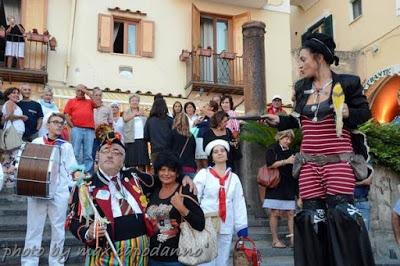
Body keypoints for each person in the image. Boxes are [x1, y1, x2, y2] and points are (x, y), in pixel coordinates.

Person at [264, 33, 374, 265]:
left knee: (342, 218)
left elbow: (365, 114)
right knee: (311, 222)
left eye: (303, 59)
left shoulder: (348, 83)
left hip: (338, 163)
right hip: (308, 166)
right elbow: (298, 119)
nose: (300, 65)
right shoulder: (301, 87)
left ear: (319, 58)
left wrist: (347, 112)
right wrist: (279, 121)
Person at [68, 130, 197, 265]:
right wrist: (88, 233)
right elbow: (73, 220)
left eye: (117, 152)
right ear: (98, 156)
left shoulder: (134, 176)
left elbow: (163, 178)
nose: (110, 155)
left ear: (124, 159)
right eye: (105, 150)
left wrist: (183, 177)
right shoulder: (86, 186)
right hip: (105, 255)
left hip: (140, 255)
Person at [21, 113, 77, 266]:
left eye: (62, 123)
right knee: (34, 228)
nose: (59, 125)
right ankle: (29, 262)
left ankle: (56, 262)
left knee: (58, 229)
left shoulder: (66, 146)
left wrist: (75, 186)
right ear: (48, 124)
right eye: (56, 122)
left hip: (59, 192)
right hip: (37, 190)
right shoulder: (37, 142)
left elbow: (72, 169)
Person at [194, 139, 248, 266]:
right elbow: (194, 198)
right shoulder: (204, 174)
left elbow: (239, 203)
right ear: (211, 157)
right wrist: (195, 220)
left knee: (222, 260)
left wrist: (241, 227)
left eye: (222, 150)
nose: (219, 153)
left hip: (226, 224)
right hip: (207, 224)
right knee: (205, 260)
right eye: (215, 152)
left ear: (227, 154)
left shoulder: (234, 178)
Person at [147, 151, 205, 265]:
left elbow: (200, 224)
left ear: (177, 173)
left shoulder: (185, 191)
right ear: (157, 172)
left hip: (177, 259)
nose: (166, 173)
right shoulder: (153, 190)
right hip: (152, 257)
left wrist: (182, 208)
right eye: (163, 169)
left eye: (171, 170)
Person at [263, 130, 297, 248]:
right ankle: (275, 240)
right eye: (285, 138)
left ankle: (293, 239)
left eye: (289, 139)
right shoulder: (272, 149)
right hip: (275, 184)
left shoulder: (293, 152)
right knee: (274, 213)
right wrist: (286, 161)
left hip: (289, 185)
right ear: (279, 137)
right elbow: (270, 164)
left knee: (291, 213)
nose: (287, 141)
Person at [64, 84, 96, 173]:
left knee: (88, 153)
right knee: (75, 152)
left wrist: (87, 92)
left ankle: (87, 173)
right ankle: (76, 173)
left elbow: (98, 103)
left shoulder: (89, 101)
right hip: (77, 129)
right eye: (79, 90)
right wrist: (72, 126)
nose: (81, 92)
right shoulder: (71, 101)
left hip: (89, 130)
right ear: (75, 91)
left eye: (82, 91)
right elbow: (66, 114)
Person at [123, 94, 149, 170]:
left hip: (142, 139)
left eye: (136, 100)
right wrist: (135, 114)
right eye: (133, 100)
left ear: (138, 102)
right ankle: (131, 179)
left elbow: (148, 119)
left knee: (142, 162)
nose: (134, 102)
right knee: (131, 163)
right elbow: (125, 119)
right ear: (129, 102)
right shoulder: (126, 112)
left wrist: (143, 114)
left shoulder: (142, 111)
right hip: (130, 139)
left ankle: (142, 179)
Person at [144, 98, 173, 163]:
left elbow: (146, 136)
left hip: (155, 150)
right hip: (168, 151)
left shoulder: (150, 120)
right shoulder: (170, 120)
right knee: (168, 171)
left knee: (156, 171)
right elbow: (174, 136)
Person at [92, 87, 113, 169]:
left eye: (100, 95)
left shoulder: (107, 107)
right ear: (93, 96)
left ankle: (103, 172)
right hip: (91, 135)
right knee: (91, 155)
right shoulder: (90, 106)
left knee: (103, 154)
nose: (98, 97)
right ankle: (91, 174)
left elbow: (110, 123)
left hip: (103, 136)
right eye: (96, 95)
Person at [194, 101, 219, 170]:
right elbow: (195, 124)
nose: (205, 106)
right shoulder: (204, 116)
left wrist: (199, 100)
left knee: (205, 162)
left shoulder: (214, 115)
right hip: (198, 140)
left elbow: (202, 109)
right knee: (198, 162)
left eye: (207, 105)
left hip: (206, 140)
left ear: (212, 108)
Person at [171, 113, 196, 178]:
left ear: (175, 121)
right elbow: (193, 152)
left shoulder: (172, 133)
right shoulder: (191, 136)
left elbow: (168, 151)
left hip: (177, 168)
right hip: (190, 167)